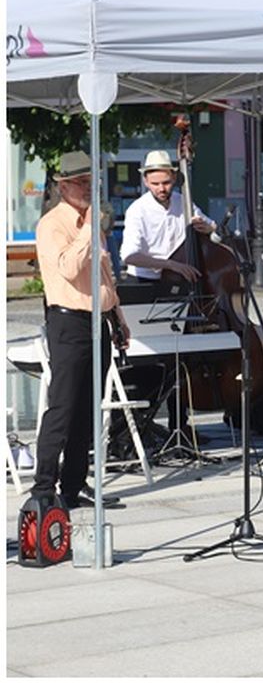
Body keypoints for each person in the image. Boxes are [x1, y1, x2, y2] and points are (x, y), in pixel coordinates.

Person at [31, 151, 130, 511]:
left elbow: (103, 275)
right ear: (64, 186)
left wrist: (117, 316)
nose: (89, 188)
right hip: (69, 321)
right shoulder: (53, 224)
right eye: (82, 183)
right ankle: (43, 488)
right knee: (62, 407)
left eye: (92, 182)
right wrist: (89, 229)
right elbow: (70, 268)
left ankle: (74, 485)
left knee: (87, 410)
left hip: (97, 321)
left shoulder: (90, 223)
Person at [120, 149, 216, 282]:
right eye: (155, 184)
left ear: (174, 178)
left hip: (178, 277)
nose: (161, 189)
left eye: (166, 182)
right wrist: (171, 265)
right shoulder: (137, 210)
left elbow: (212, 226)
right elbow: (129, 256)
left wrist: (208, 228)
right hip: (144, 278)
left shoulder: (184, 202)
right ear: (145, 182)